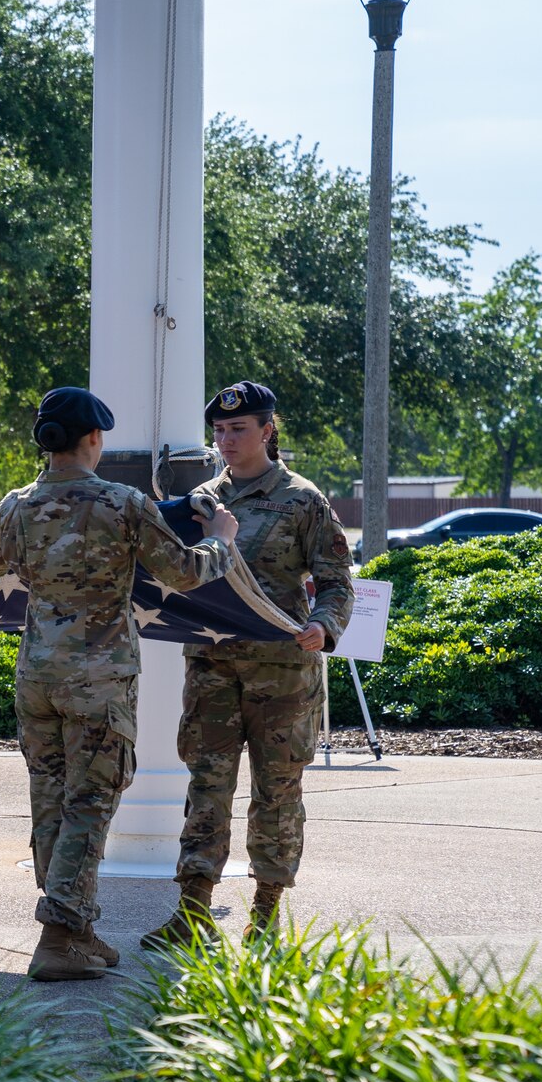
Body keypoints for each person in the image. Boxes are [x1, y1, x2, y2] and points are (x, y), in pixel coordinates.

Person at [0, 387, 238, 982]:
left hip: (38, 675)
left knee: (51, 801)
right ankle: (60, 933)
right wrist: (221, 537)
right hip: (99, 681)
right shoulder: (122, 503)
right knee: (90, 804)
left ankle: (79, 928)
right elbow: (186, 572)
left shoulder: (15, 505)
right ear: (93, 439)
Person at [145, 382, 354, 949]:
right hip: (213, 672)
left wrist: (325, 626)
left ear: (268, 431)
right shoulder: (202, 503)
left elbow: (337, 582)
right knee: (206, 787)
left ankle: (266, 911)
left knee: (277, 791)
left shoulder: (303, 500)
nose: (226, 440)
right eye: (218, 431)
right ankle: (192, 910)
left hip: (283, 674)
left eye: (238, 430)